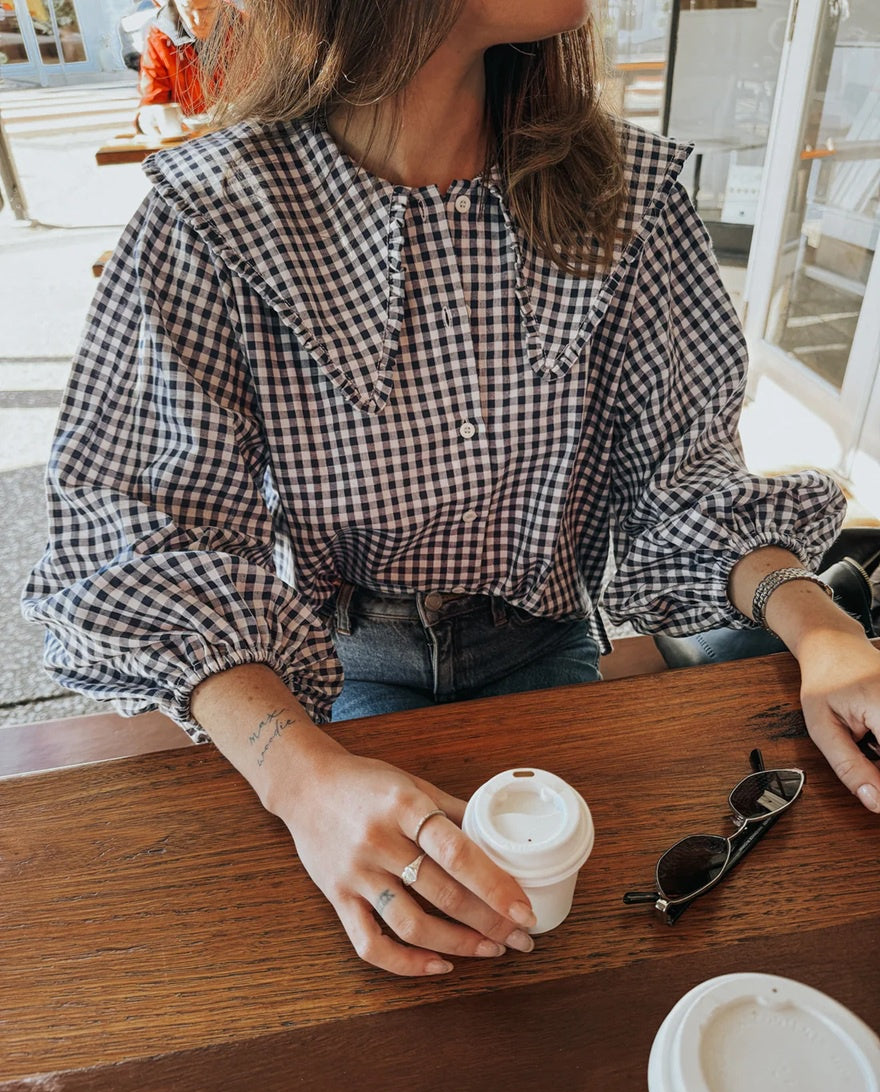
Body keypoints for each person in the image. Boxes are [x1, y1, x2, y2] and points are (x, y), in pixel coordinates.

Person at [23, 0, 880, 978]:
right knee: (385, 960)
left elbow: (689, 484)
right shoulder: (215, 213)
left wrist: (826, 634)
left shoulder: (625, 198)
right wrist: (302, 783)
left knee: (573, 955)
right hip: (335, 665)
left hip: (547, 640)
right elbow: (138, 538)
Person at [135, 0, 218, 133]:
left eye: (207, 9)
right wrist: (149, 118)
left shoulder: (246, 28)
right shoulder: (160, 38)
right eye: (187, 8)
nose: (197, 20)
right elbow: (153, 100)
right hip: (190, 141)